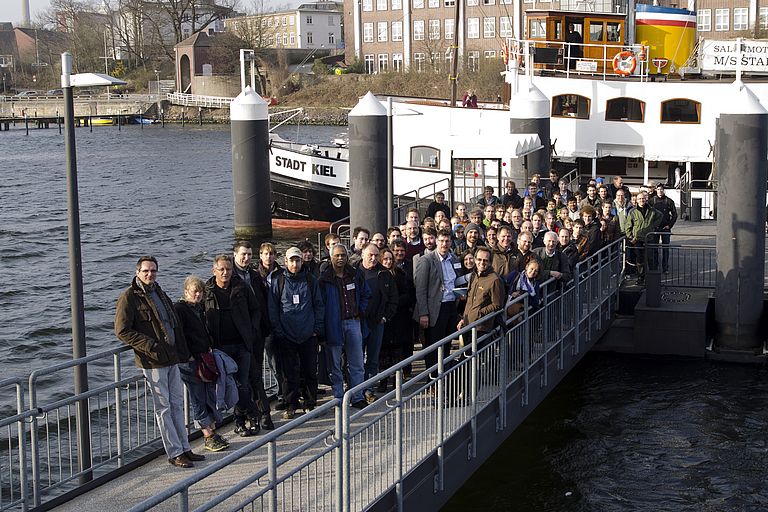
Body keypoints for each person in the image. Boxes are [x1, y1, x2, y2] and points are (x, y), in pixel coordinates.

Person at [115, 256, 205, 468]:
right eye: (146, 271)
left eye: (153, 270)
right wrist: (150, 345)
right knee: (163, 408)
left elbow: (172, 324)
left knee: (177, 404)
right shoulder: (129, 297)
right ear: (137, 272)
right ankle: (174, 452)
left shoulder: (159, 292)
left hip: (172, 357)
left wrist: (182, 352)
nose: (150, 274)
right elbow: (122, 330)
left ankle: (185, 447)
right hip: (153, 361)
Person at [204, 254, 263, 436]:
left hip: (242, 344)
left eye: (228, 269)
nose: (225, 273)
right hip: (221, 348)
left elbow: (255, 310)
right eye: (221, 269)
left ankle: (245, 419)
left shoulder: (241, 287)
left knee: (243, 384)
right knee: (232, 385)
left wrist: (251, 330)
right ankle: (247, 417)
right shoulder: (208, 291)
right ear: (214, 271)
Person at [174, 276, 230, 452]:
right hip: (190, 362)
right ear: (186, 292)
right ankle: (207, 433)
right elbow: (179, 335)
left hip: (204, 358)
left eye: (200, 292)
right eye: (194, 292)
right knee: (198, 397)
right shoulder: (180, 309)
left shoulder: (199, 309)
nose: (198, 295)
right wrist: (187, 356)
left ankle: (211, 430)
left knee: (208, 395)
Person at [267, 247, 324, 420]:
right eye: (291, 260)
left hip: (308, 334)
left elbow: (318, 305)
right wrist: (278, 331)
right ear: (286, 262)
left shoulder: (310, 280)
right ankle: (291, 403)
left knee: (309, 370)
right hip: (286, 334)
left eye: (297, 260)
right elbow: (273, 308)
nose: (294, 264)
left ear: (302, 261)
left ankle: (310, 402)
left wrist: (316, 329)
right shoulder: (278, 281)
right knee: (288, 373)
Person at [319, 245, 370, 410]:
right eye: (337, 256)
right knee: (335, 364)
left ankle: (357, 396)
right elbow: (320, 304)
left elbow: (365, 294)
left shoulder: (355, 275)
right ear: (331, 258)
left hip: (353, 322)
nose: (340, 258)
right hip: (334, 324)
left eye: (343, 255)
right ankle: (339, 397)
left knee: (357, 363)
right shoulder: (324, 280)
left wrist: (360, 310)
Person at [232, 241, 274, 429]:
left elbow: (261, 305)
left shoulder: (255, 276)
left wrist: (261, 327)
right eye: (243, 254)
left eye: (249, 254)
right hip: (237, 336)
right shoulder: (230, 276)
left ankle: (262, 413)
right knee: (242, 378)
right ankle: (248, 414)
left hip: (256, 333)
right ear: (235, 255)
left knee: (255, 375)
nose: (246, 257)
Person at [413, 229, 461, 375]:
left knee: (447, 345)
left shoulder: (454, 260)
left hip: (451, 306)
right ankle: (432, 378)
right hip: (434, 309)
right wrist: (423, 313)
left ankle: (443, 375)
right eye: (441, 241)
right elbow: (420, 289)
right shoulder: (426, 260)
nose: (444, 244)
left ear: (451, 242)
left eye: (447, 241)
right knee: (433, 346)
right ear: (436, 242)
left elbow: (457, 281)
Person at [355, 243, 398, 403]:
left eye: (375, 255)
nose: (373, 258)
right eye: (370, 255)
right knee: (356, 358)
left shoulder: (384, 273)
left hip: (377, 322)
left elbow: (393, 299)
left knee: (373, 359)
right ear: (362, 255)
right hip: (358, 322)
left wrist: (386, 317)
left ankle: (369, 389)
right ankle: (356, 389)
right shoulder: (354, 272)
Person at [457, 246, 505, 337]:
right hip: (467, 325)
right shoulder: (473, 276)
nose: (482, 263)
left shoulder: (495, 280)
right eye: (479, 259)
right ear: (475, 260)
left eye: (485, 260)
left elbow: (497, 304)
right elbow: (470, 300)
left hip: (481, 327)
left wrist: (479, 313)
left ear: (490, 262)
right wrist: (464, 318)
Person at [625, 191, 662, 284]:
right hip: (637, 239)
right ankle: (641, 277)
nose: (642, 200)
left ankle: (651, 278)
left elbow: (660, 216)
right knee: (640, 259)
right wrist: (631, 237)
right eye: (639, 199)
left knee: (650, 258)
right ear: (636, 200)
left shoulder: (652, 210)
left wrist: (654, 225)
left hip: (649, 238)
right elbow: (628, 226)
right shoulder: (632, 212)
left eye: (643, 198)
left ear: (646, 199)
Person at [649, 183, 677, 273]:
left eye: (661, 189)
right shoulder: (652, 201)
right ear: (656, 190)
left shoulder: (669, 201)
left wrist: (670, 225)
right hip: (655, 228)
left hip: (665, 228)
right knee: (654, 249)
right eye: (658, 189)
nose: (660, 191)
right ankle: (655, 267)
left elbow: (675, 215)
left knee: (665, 249)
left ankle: (665, 268)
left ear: (663, 190)